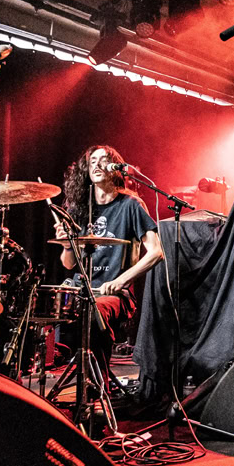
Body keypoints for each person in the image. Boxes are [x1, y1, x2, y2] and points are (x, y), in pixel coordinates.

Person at [56, 145, 164, 381]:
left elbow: (156, 252)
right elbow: (69, 264)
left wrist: (121, 281)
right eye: (92, 161)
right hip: (81, 290)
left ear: (115, 168)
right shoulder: (79, 209)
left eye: (103, 159)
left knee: (95, 311)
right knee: (49, 309)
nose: (96, 164)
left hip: (116, 295)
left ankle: (97, 385)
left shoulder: (130, 205)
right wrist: (67, 245)